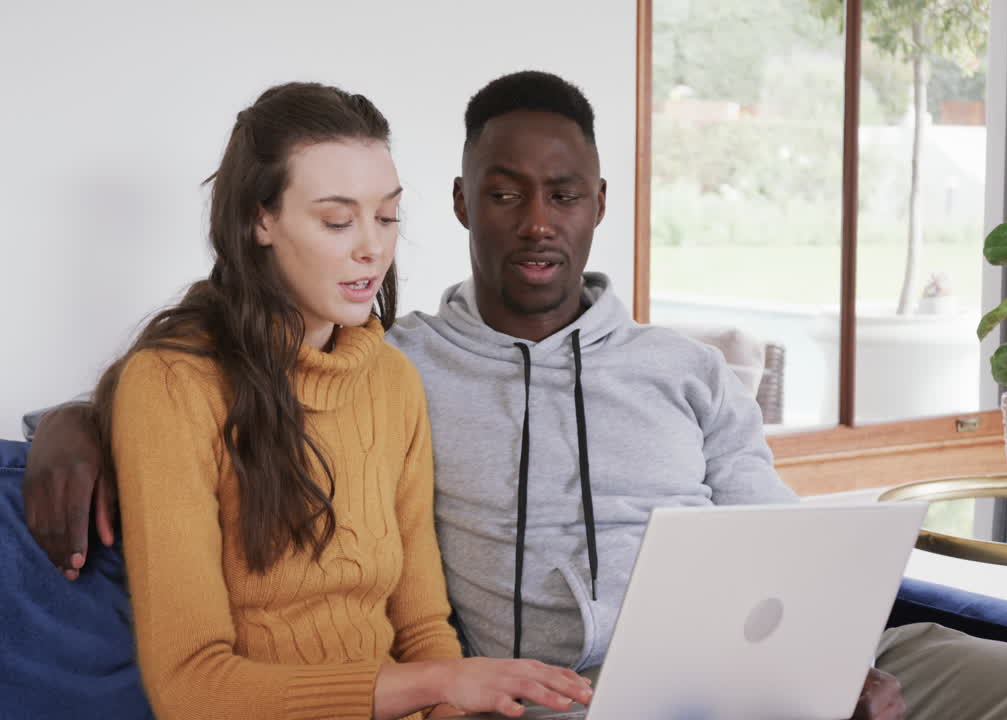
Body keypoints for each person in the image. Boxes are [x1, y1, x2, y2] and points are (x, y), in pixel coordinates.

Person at [23, 72, 1007, 720]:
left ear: (596, 204)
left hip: (726, 683)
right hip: (533, 697)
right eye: (502, 193)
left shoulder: (666, 371)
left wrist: (827, 655)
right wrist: (75, 418)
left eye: (383, 221)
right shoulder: (405, 362)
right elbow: (204, 400)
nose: (537, 221)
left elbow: (781, 547)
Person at [24, 81, 592, 720]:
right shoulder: (173, 386)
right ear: (258, 219)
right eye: (336, 220)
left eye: (386, 216)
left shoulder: (392, 381)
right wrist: (430, 687)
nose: (371, 248)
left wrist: (448, 702)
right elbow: (190, 686)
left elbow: (424, 631)